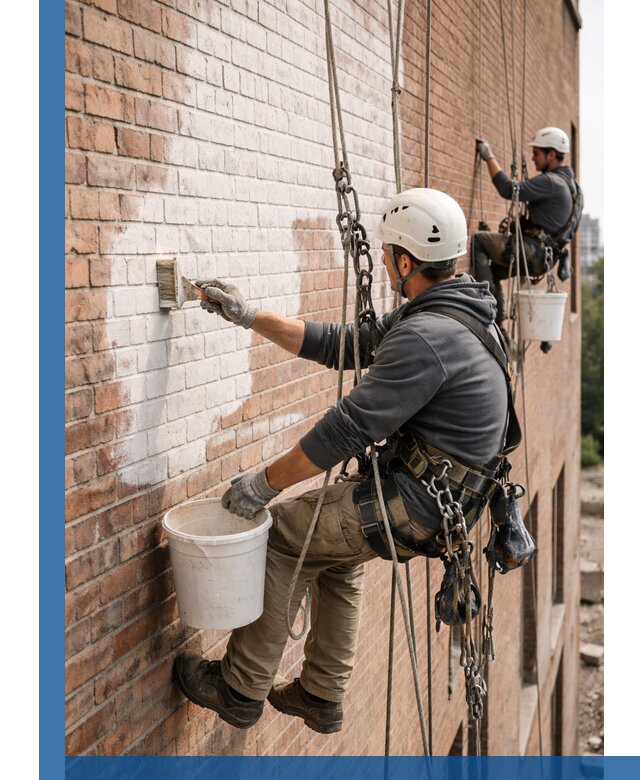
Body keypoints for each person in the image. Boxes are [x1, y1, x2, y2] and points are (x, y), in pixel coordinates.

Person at [173, 188, 511, 735]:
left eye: (385, 254)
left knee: (285, 534)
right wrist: (248, 316)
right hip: (437, 498)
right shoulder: (453, 311)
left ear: (405, 261)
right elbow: (344, 344)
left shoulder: (427, 336)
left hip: (419, 502)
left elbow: (347, 429)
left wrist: (263, 485)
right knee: (335, 552)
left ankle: (239, 688)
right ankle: (321, 693)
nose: (379, 260)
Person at [472, 127, 582, 336]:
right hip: (544, 259)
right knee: (494, 271)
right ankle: (499, 325)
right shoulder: (574, 188)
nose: (533, 158)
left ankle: (485, 312)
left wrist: (488, 156)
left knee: (479, 241)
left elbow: (508, 189)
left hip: (532, 251)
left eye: (536, 153)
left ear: (551, 154)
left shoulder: (551, 182)